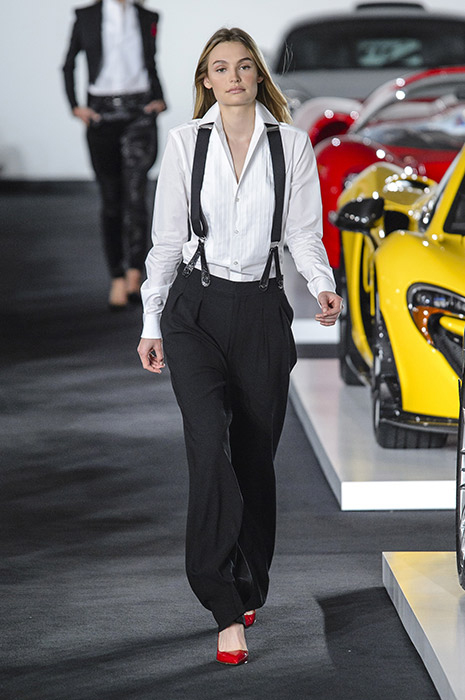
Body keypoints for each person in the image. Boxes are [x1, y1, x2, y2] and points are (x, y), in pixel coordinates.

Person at [137, 27, 342, 666]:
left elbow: (303, 233)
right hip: (194, 311)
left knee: (255, 458)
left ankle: (249, 581)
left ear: (258, 76)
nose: (233, 77)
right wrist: (151, 321)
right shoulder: (184, 143)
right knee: (209, 446)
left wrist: (323, 286)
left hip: (261, 312)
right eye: (221, 68)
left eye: (244, 66)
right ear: (206, 79)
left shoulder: (291, 145)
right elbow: (166, 241)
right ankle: (224, 605)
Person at [62, 0, 167, 310]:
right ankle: (117, 276)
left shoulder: (148, 16)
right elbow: (68, 63)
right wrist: (75, 106)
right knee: (111, 199)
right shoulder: (86, 16)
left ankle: (135, 273)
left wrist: (160, 98)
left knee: (136, 196)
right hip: (101, 112)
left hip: (140, 110)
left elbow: (150, 62)